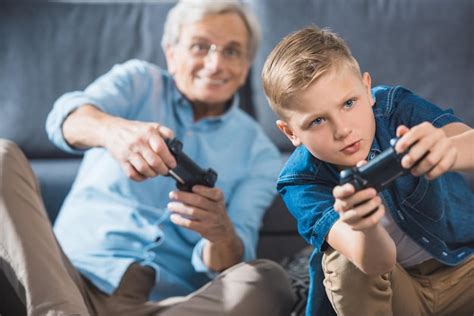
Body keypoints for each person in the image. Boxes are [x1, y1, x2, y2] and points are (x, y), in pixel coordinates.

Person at [0, 1, 295, 315]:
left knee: (268, 280)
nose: (215, 64)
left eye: (232, 51)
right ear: (171, 53)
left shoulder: (260, 153)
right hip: (62, 279)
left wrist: (219, 231)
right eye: (199, 46)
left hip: (161, 306)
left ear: (247, 65)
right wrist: (112, 132)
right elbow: (64, 119)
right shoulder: (137, 82)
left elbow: (232, 258)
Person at [261, 26, 474, 316]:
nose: (343, 130)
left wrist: (448, 150)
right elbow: (376, 264)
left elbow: (466, 141)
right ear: (290, 133)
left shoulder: (394, 107)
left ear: (367, 89)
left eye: (349, 103)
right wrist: (366, 227)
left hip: (465, 270)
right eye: (318, 121)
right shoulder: (300, 182)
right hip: (400, 297)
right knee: (344, 260)